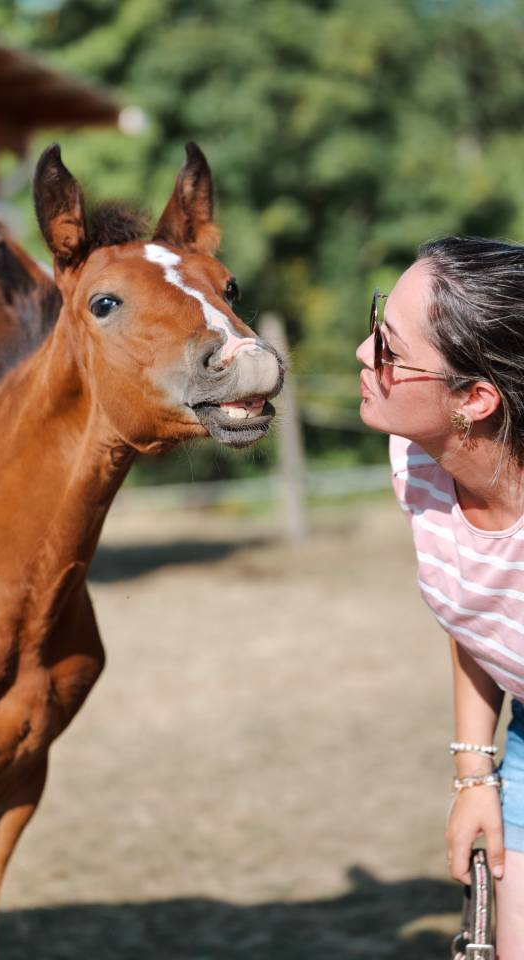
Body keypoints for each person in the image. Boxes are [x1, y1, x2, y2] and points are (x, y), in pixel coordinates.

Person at [356, 236, 524, 957]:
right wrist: (473, 774)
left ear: (475, 398)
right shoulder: (416, 465)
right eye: (375, 325)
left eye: (389, 349)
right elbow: (476, 614)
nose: (365, 355)